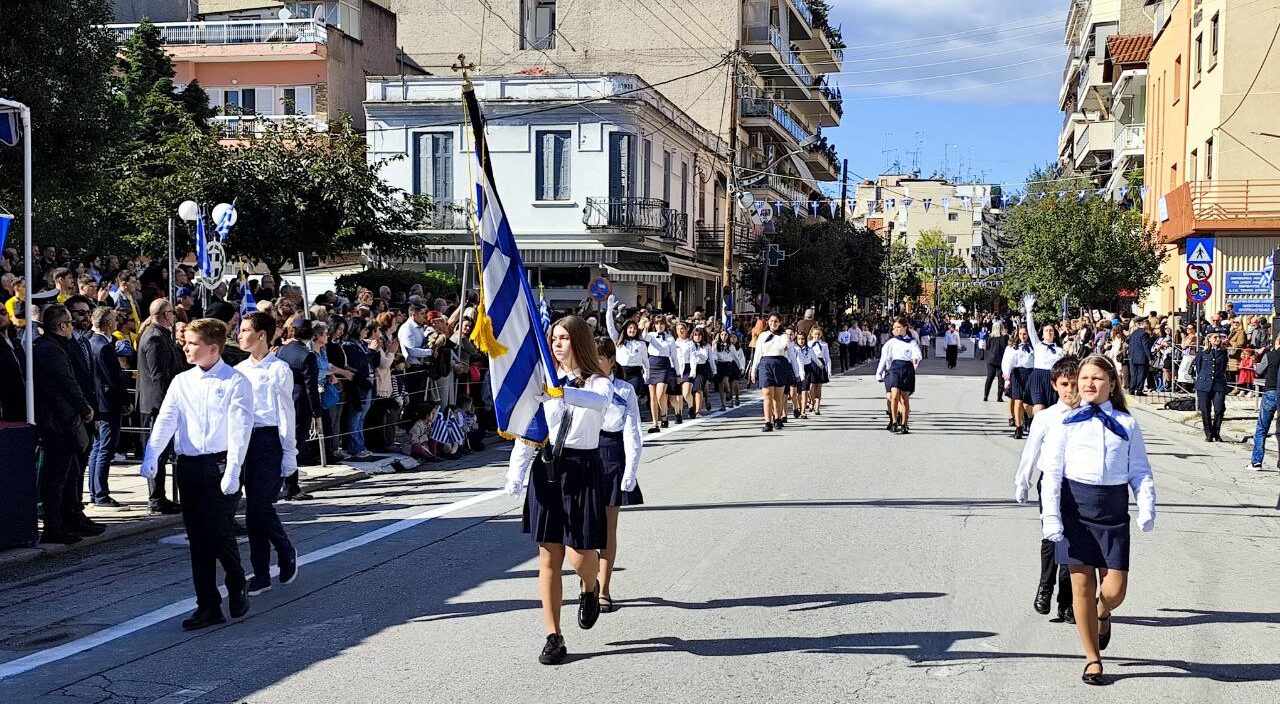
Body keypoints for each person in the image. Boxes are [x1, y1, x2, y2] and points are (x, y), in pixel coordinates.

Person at [1038, 355, 1156, 686]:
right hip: (1075, 509)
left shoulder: (1127, 424)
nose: (1090, 383)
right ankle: (1093, 658)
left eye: (1098, 378)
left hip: (1113, 510)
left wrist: (1146, 504)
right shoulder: (1066, 421)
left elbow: (1140, 469)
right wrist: (1051, 519)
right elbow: (1052, 473)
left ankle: (1103, 612)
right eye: (1085, 377)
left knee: (1115, 590)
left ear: (1112, 384)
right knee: (1081, 585)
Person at [503, 315, 612, 665]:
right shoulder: (544, 384)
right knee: (549, 556)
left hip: (581, 470)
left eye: (564, 338)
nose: (557, 344)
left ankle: (590, 587)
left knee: (581, 557)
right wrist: (515, 472)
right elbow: (531, 430)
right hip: (547, 470)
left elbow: (597, 404)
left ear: (579, 342)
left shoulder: (598, 383)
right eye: (553, 339)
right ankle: (553, 636)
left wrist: (561, 392)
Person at [142, 318, 253, 631]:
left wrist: (233, 469)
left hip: (219, 464)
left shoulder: (234, 381)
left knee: (219, 531)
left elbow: (240, 429)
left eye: (192, 343)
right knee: (198, 539)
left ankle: (235, 579)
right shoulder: (182, 381)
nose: (185, 347)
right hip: (189, 465)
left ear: (212, 348)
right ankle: (207, 605)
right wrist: (153, 454)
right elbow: (166, 419)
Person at [235, 312, 300, 596]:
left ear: (261, 335)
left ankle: (285, 550)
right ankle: (260, 573)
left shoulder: (279, 369)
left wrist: (289, 452)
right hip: (244, 440)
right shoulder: (237, 369)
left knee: (261, 506)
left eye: (246, 329)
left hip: (268, 439)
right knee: (252, 512)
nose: (240, 334)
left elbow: (286, 413)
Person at [1014, 355, 1081, 624]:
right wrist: (1023, 481)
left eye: (1074, 383)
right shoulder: (1045, 417)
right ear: (1054, 385)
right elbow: (1031, 451)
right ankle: (1045, 586)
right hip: (1050, 483)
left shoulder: (1089, 415)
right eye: (1064, 384)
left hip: (1079, 485)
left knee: (1073, 542)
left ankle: (1067, 601)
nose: (1070, 390)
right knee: (1052, 536)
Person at [32, 305, 103, 544]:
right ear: (62, 326)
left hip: (62, 419)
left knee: (68, 473)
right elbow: (67, 382)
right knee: (57, 476)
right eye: (70, 322)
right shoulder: (50, 349)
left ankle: (68, 518)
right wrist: (85, 409)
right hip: (57, 422)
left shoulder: (54, 346)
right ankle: (54, 526)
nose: (73, 326)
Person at [595, 336, 644, 615]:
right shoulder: (580, 385)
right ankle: (586, 583)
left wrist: (631, 470)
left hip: (611, 454)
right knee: (585, 526)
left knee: (607, 529)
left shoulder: (624, 390)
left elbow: (633, 432)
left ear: (611, 360)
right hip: (585, 453)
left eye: (599, 357)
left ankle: (603, 588)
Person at [137, 298, 184, 514]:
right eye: (172, 313)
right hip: (157, 405)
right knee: (157, 451)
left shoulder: (161, 335)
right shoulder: (155, 338)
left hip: (157, 403)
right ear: (165, 315)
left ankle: (160, 496)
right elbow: (159, 376)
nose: (174, 317)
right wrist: (169, 404)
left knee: (163, 452)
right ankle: (156, 497)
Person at [87, 307, 129, 508]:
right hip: (107, 403)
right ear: (107, 323)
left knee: (98, 447)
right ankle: (101, 494)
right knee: (105, 448)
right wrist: (125, 400)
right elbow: (113, 378)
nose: (116, 323)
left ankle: (95, 492)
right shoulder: (103, 346)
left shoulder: (91, 342)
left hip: (99, 402)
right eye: (113, 320)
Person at [276, 320, 320, 498]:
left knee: (286, 442)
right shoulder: (307, 355)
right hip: (300, 402)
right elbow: (311, 387)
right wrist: (317, 414)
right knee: (295, 444)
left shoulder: (282, 350)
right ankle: (291, 485)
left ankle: (288, 483)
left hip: (283, 399)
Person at [875, 317, 923, 434]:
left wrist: (915, 358)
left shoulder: (911, 342)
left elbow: (917, 354)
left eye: (898, 327)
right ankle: (895, 421)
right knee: (894, 395)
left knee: (904, 397)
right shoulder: (891, 342)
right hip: (895, 368)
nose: (896, 329)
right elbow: (884, 358)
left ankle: (904, 424)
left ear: (905, 328)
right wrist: (879, 373)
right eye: (894, 327)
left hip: (907, 368)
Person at [749, 313, 791, 432]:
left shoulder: (783, 335)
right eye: (771, 321)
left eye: (776, 321)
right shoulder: (762, 335)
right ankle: (767, 422)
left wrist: (773, 340)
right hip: (765, 363)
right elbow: (758, 353)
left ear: (780, 323)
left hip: (779, 363)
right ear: (768, 322)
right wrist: (753, 370)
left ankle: (777, 418)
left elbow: (781, 346)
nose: (773, 323)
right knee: (767, 394)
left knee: (778, 396)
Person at [1024, 295, 1065, 414]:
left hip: (1052, 377)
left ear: (1055, 334)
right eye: (1046, 331)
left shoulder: (1059, 350)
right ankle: (1035, 426)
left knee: (1052, 409)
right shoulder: (1037, 345)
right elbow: (1030, 328)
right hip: (1038, 376)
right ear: (1042, 334)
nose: (1049, 332)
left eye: (1051, 331)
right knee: (1039, 408)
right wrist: (1029, 311)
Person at [605, 298, 650, 404]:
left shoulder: (641, 343)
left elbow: (645, 360)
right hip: (620, 372)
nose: (632, 330)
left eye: (634, 328)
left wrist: (647, 374)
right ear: (625, 329)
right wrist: (609, 309)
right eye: (630, 328)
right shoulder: (618, 340)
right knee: (619, 400)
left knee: (632, 398)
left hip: (635, 373)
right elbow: (610, 326)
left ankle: (633, 418)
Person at [641, 315, 678, 433]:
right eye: (657, 323)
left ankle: (664, 415)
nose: (659, 326)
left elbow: (674, 357)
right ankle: (655, 423)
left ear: (665, 325)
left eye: (661, 323)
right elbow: (644, 337)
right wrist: (645, 327)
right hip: (652, 363)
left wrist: (678, 373)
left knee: (660, 394)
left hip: (664, 365)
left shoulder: (670, 338)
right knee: (652, 396)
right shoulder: (651, 335)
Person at [1248, 334, 1280, 470]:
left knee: (1262, 428)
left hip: (1271, 392)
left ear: (1277, 341)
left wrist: (1256, 365)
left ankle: (1256, 461)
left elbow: (1259, 370)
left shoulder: (1270, 355)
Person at [1192, 330, 1229, 443]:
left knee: (1219, 409)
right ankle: (1208, 433)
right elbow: (1199, 368)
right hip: (1204, 384)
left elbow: (1223, 368)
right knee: (1205, 410)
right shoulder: (1202, 352)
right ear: (1209, 339)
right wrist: (1204, 378)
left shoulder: (1223, 352)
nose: (1218, 339)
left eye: (1219, 337)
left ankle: (1216, 432)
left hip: (1218, 384)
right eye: (1215, 337)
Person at [1003, 325, 1035, 439]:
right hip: (1017, 373)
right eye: (1020, 334)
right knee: (1018, 401)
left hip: (1030, 373)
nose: (1023, 336)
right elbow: (1008, 361)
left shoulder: (1034, 346)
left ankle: (1030, 418)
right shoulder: (1013, 347)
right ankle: (1019, 427)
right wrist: (1006, 374)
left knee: (1027, 403)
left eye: (1025, 334)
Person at [0, 304, 24, 422]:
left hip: (25, 406)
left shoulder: (16, 342)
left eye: (3, 312)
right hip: (7, 412)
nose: (0, 317)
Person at [806, 327, 832, 416]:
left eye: (818, 334)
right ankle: (812, 401)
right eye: (815, 334)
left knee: (818, 386)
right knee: (810, 387)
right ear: (812, 334)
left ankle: (817, 407)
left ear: (821, 335)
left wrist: (829, 369)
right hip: (811, 364)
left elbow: (827, 358)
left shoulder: (824, 345)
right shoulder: (809, 344)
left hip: (820, 365)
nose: (817, 336)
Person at [984, 321, 1007, 402]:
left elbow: (987, 347)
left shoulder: (990, 337)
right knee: (1001, 380)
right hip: (1001, 361)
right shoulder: (1005, 337)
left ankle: (985, 395)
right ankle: (999, 397)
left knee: (989, 378)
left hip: (991, 360)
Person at [1127, 319, 1152, 397]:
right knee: (1141, 374)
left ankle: (1131, 390)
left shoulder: (1134, 333)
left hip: (1133, 356)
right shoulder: (1144, 334)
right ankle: (1139, 390)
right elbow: (1146, 346)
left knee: (1133, 374)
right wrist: (1150, 356)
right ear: (1145, 324)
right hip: (1141, 357)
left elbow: (1130, 344)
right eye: (1149, 324)